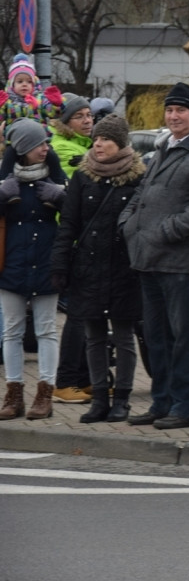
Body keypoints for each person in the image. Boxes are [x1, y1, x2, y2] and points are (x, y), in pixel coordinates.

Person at [120, 82, 189, 430]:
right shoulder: (164, 148)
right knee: (157, 338)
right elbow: (142, 191)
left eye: (180, 110)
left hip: (181, 262)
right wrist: (129, 223)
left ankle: (186, 408)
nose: (173, 116)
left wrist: (166, 231)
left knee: (185, 338)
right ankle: (161, 403)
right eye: (169, 110)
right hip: (149, 259)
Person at [50, 114, 146, 423]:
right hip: (88, 268)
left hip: (123, 269)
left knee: (123, 337)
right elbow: (69, 224)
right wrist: (60, 263)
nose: (98, 143)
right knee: (92, 336)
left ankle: (122, 400)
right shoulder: (82, 175)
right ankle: (100, 400)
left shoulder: (138, 177)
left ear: (120, 144)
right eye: (97, 138)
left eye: (105, 139)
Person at [0, 119, 66, 421]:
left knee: (46, 330)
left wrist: (60, 197)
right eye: (40, 143)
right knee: (11, 332)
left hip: (46, 264)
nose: (46, 148)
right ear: (24, 147)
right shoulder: (5, 181)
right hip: (11, 265)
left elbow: (73, 217)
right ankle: (13, 395)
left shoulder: (54, 178)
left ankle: (45, 394)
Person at [47, 93, 95, 405]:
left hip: (83, 238)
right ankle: (65, 381)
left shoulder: (84, 148)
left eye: (90, 115)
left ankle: (85, 379)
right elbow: (77, 191)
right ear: (66, 122)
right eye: (80, 116)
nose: (88, 120)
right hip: (73, 238)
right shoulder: (64, 148)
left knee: (88, 311)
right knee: (79, 312)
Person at [0, 54, 62, 131]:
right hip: (14, 138)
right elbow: (1, 121)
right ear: (12, 85)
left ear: (34, 84)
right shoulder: (8, 101)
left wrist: (55, 105)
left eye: (29, 82)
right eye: (20, 81)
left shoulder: (40, 98)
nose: (24, 84)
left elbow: (52, 114)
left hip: (38, 136)